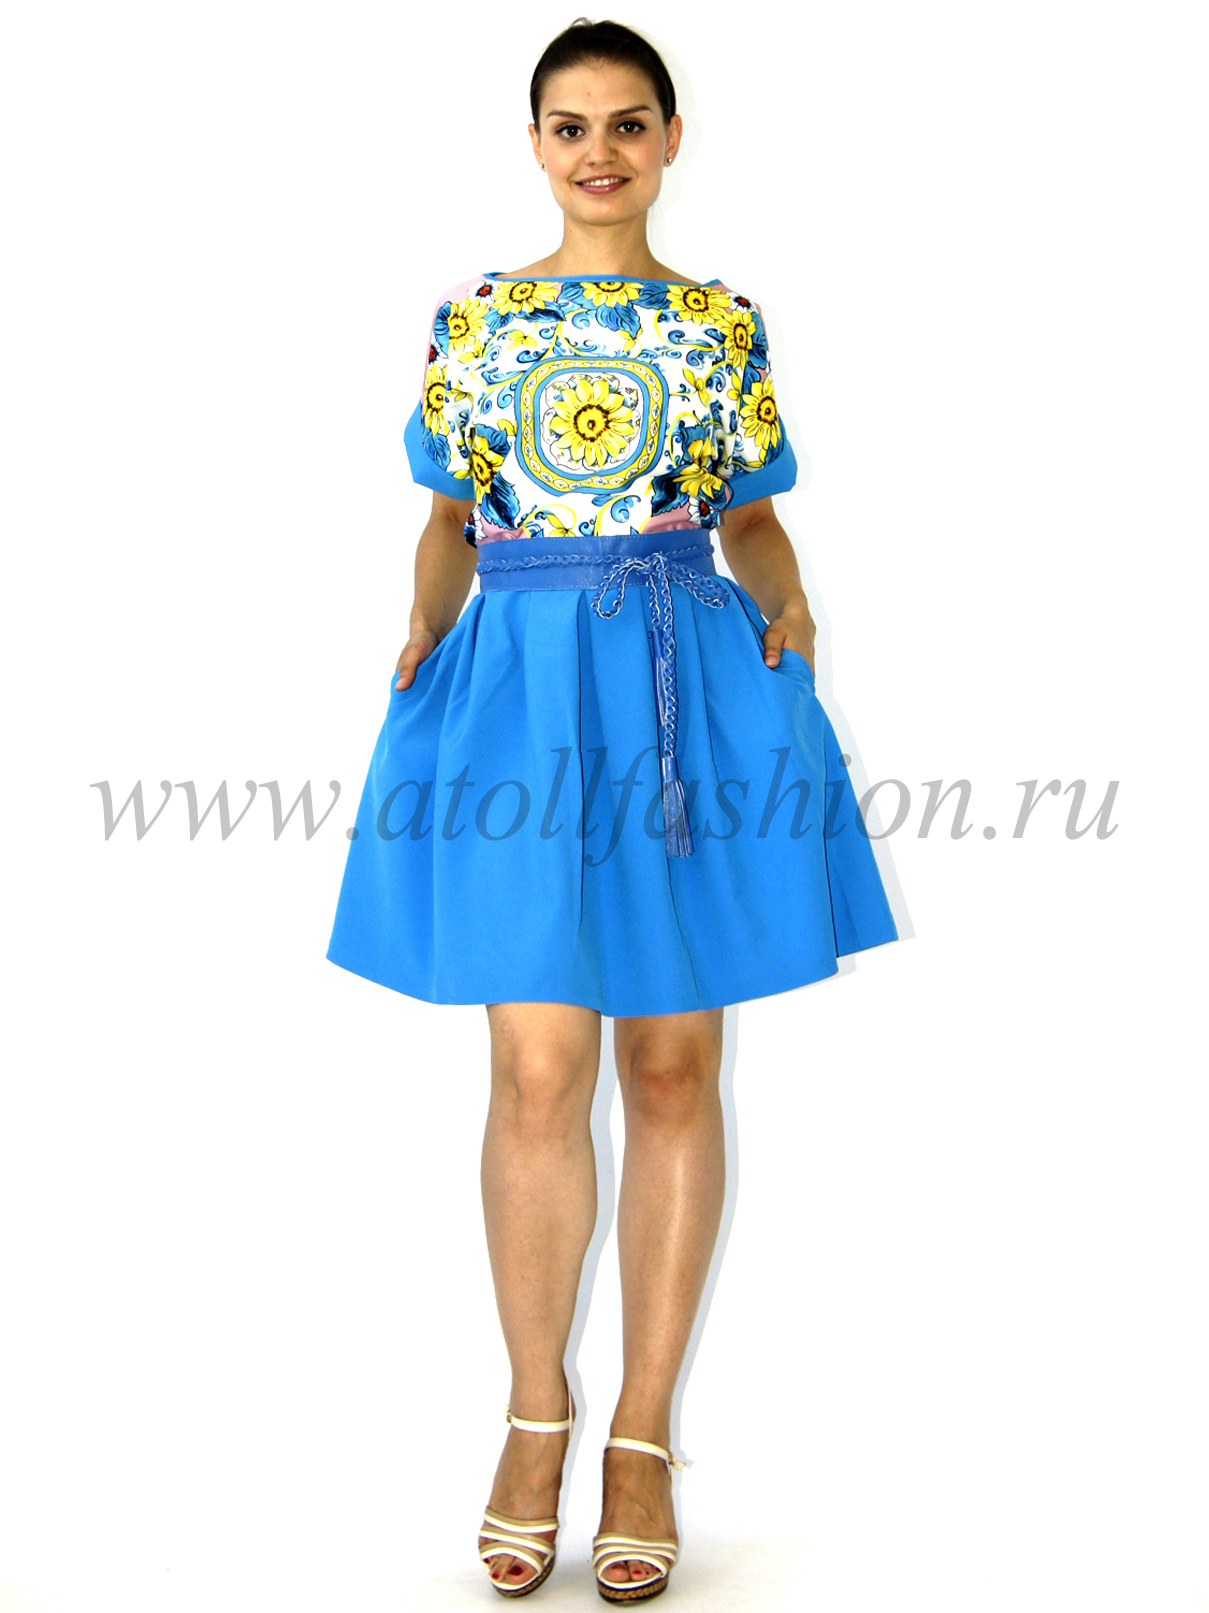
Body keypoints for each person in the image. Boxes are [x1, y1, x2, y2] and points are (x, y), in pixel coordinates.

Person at [326, 18, 898, 1602]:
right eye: (569, 125)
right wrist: (422, 624)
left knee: (669, 1060)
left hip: (675, 681)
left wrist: (789, 609)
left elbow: (749, 519)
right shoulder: (475, 320)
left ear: (668, 141)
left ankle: (641, 1435)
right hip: (517, 682)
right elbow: (448, 517)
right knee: (534, 1063)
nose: (599, 151)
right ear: (533, 144)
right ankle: (534, 1416)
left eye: (628, 123)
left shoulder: (719, 324)